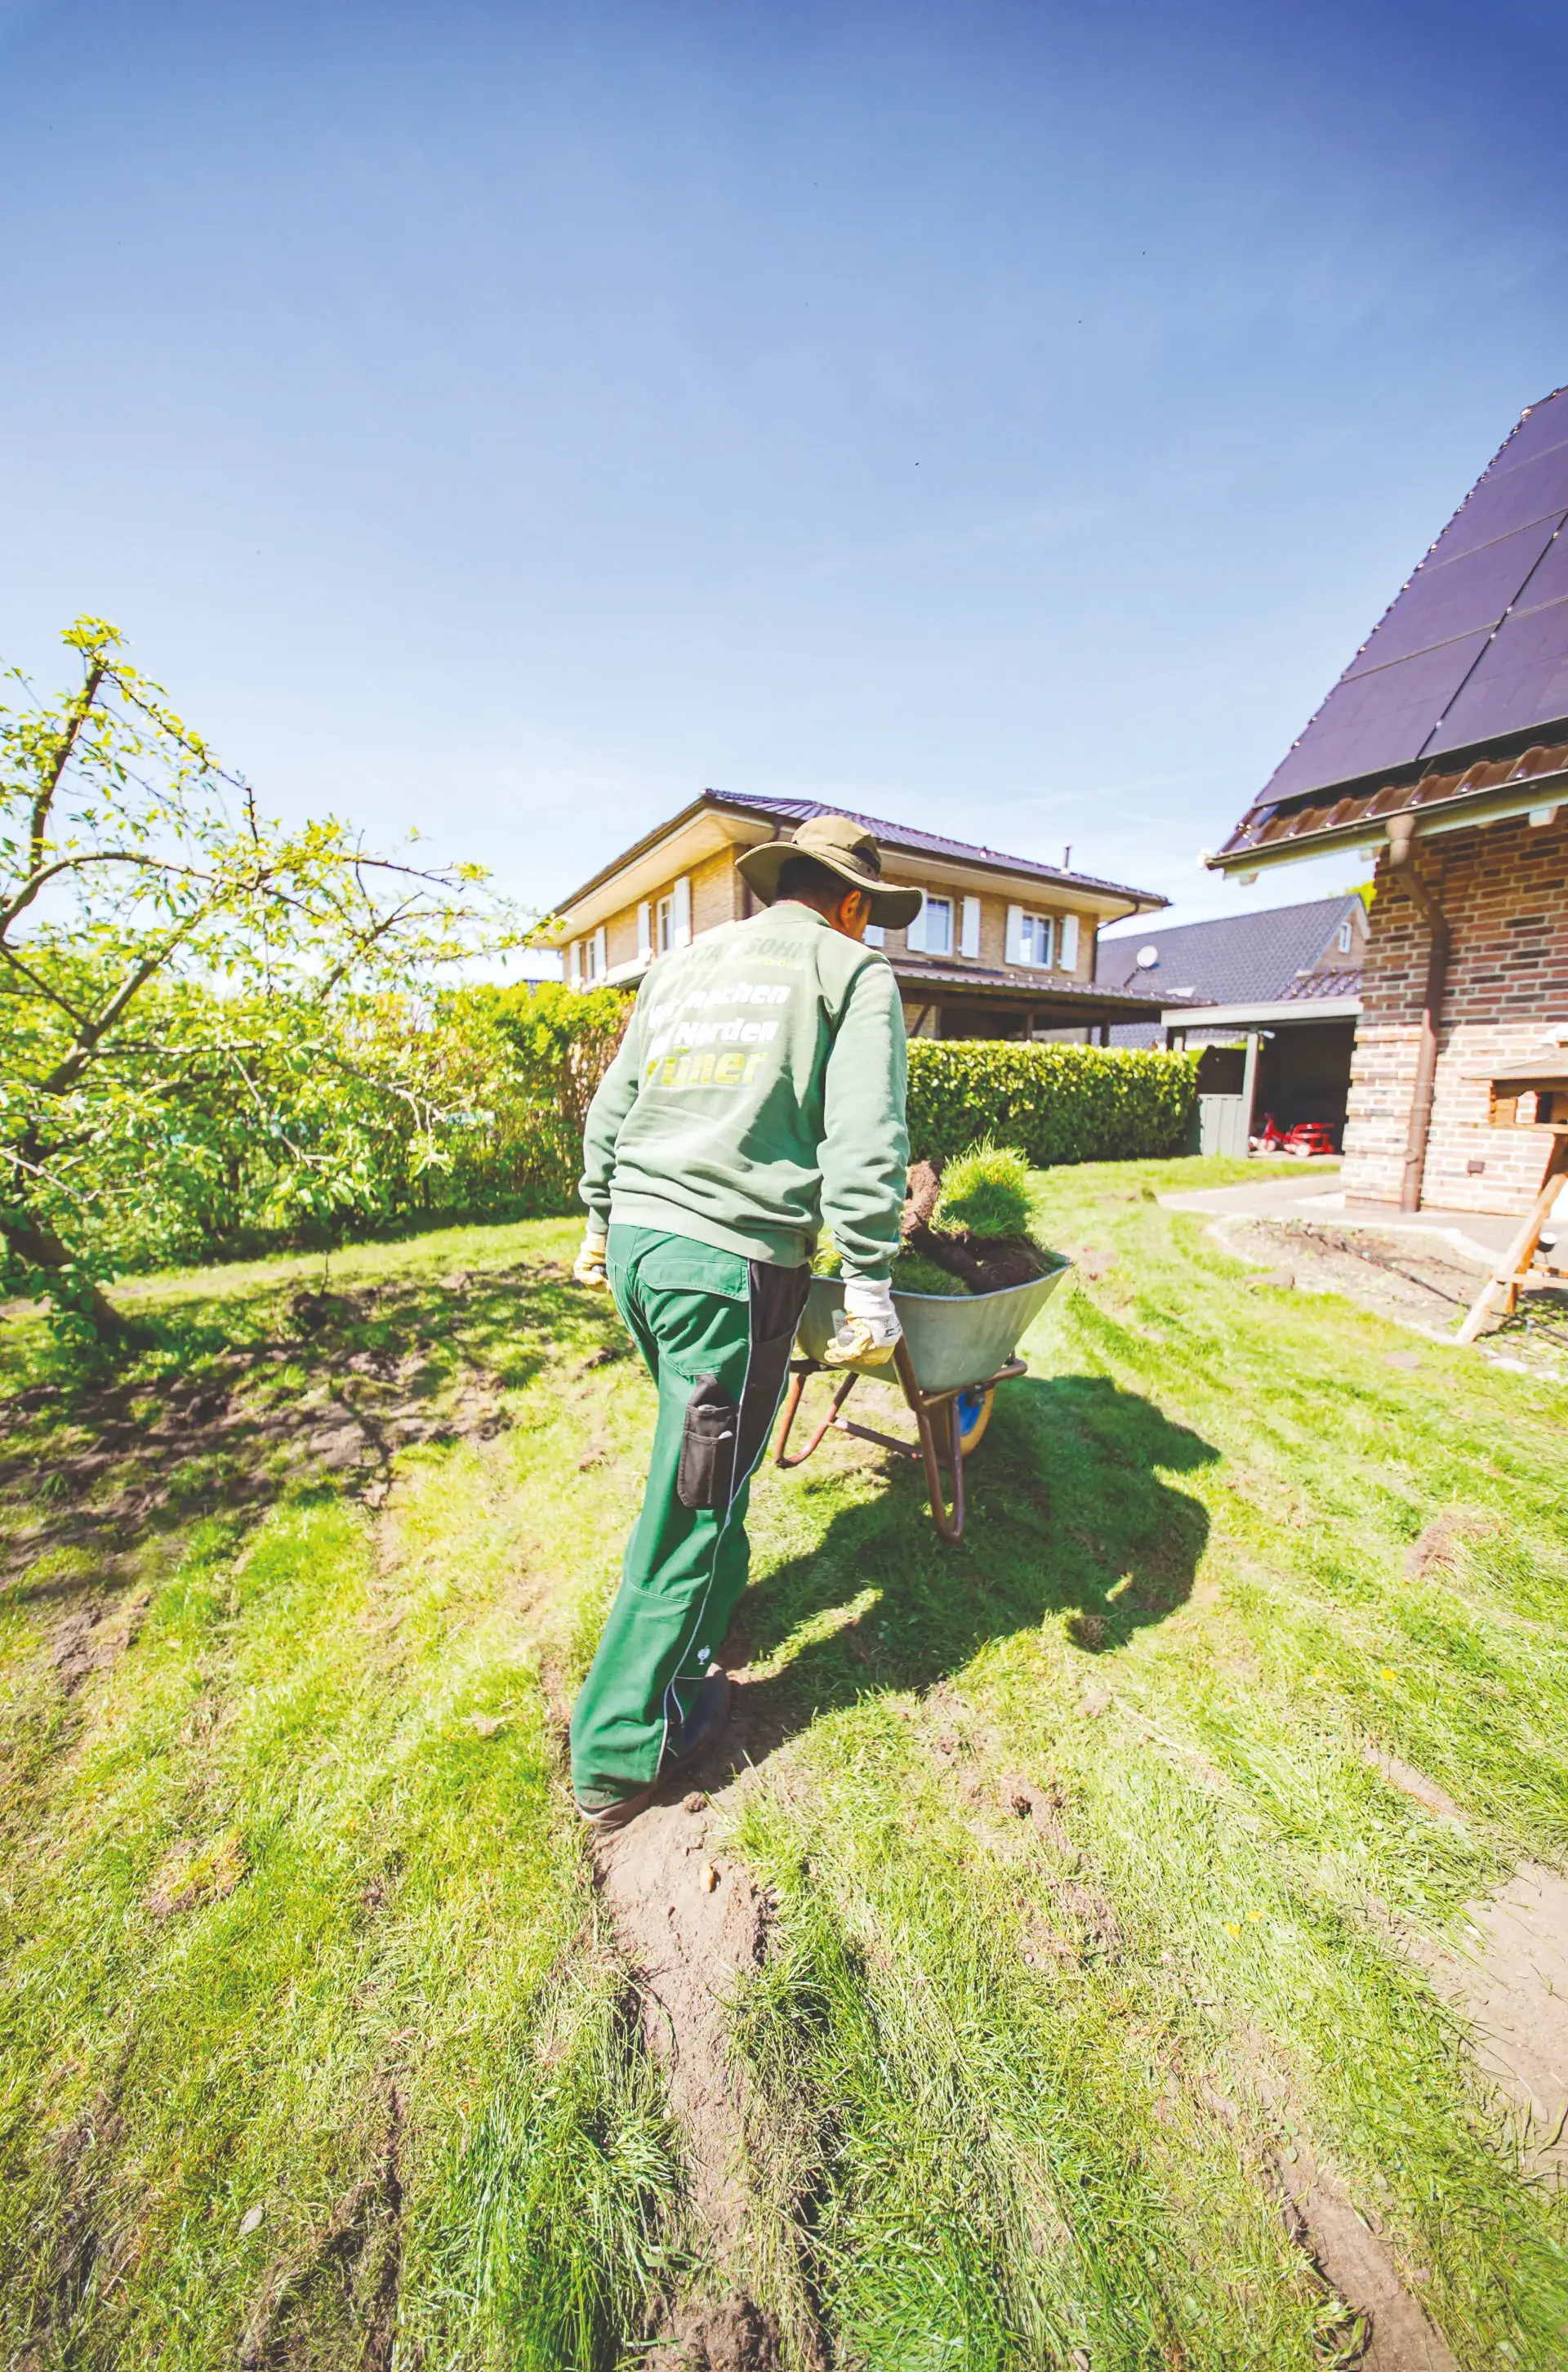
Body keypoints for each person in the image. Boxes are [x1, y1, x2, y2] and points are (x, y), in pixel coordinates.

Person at [568, 812, 921, 1826]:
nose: (868, 931)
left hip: (643, 1249)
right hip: (729, 1269)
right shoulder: (852, 976)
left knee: (706, 1462)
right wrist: (867, 1282)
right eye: (870, 915)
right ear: (851, 902)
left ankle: (712, 1613)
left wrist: (598, 1220)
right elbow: (866, 1135)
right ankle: (623, 1749)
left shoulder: (686, 965)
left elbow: (614, 1105)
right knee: (691, 1500)